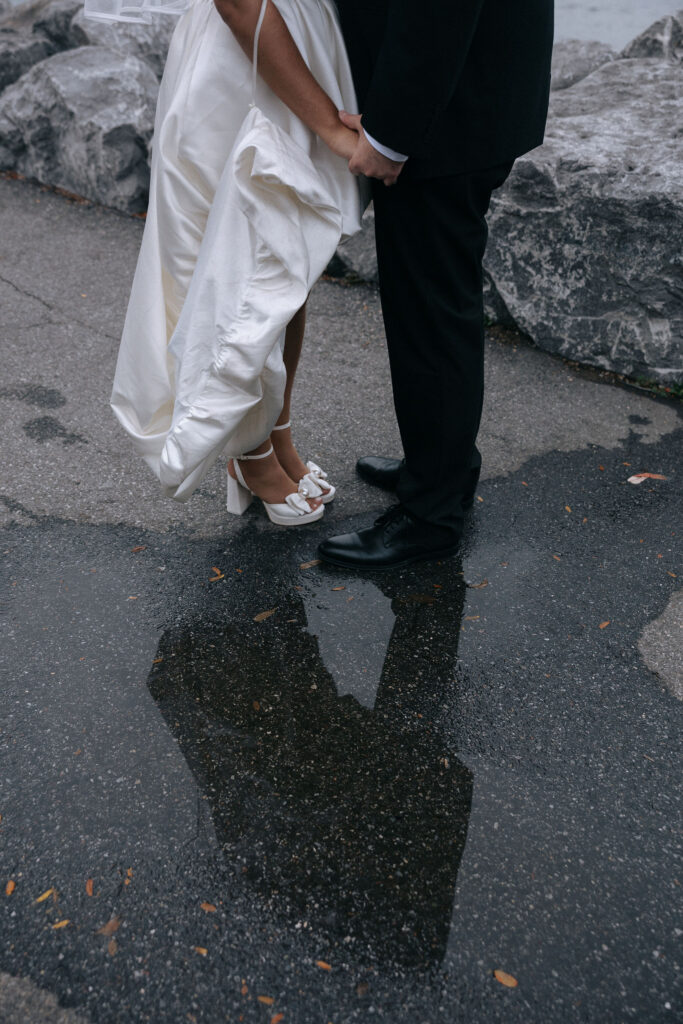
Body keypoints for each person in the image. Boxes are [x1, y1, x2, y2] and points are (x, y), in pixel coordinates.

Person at [91, 0, 373, 525]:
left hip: (298, 41)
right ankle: (250, 453)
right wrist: (331, 129)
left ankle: (274, 433)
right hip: (243, 63)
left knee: (288, 257)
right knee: (239, 264)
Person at [318, 0, 555, 568]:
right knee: (426, 300)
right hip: (458, 95)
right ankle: (436, 468)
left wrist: (393, 133)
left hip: (446, 112)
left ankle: (432, 515)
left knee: (431, 312)